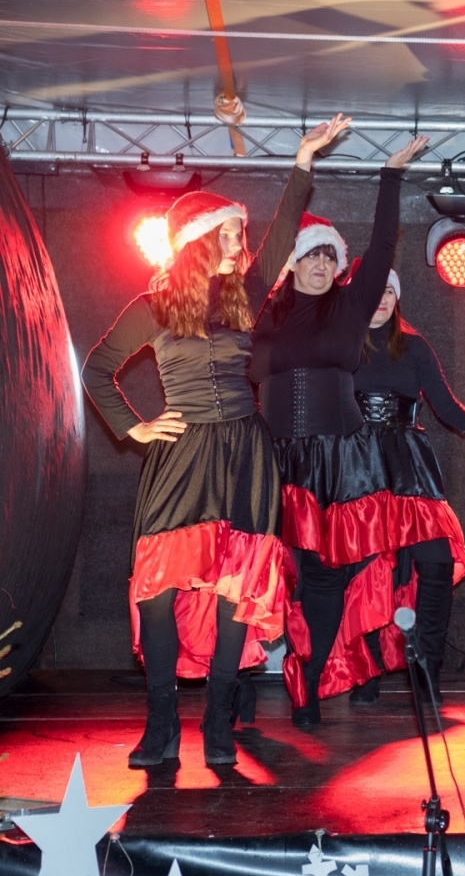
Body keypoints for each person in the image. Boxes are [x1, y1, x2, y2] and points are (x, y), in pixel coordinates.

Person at [82, 116, 348, 766]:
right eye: (230, 231)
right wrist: (134, 425)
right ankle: (163, 721)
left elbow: (285, 233)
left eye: (241, 232)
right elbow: (96, 366)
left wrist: (302, 161)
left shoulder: (245, 296)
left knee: (239, 586)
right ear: (200, 240)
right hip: (182, 456)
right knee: (159, 589)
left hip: (243, 455)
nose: (240, 239)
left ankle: (221, 723)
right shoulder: (152, 305)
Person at [251, 132, 430, 728]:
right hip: (271, 457)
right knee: (263, 574)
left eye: (331, 256)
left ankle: (306, 690)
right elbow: (267, 250)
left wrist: (390, 173)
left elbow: (382, 244)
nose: (325, 264)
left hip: (338, 461)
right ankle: (242, 683)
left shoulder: (351, 307)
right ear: (293, 261)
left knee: (323, 577)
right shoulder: (260, 311)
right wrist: (301, 167)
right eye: (314, 255)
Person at [339, 267, 465, 702]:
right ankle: (365, 671)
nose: (383, 299)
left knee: (437, 561)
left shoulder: (414, 346)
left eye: (390, 291)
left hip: (408, 464)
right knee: (365, 571)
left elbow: (444, 403)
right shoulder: (341, 345)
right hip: (356, 466)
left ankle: (426, 666)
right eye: (376, 291)